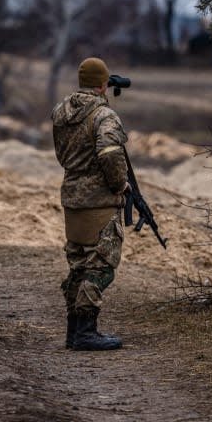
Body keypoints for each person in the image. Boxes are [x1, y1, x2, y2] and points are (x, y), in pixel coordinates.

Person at [51, 57, 130, 351]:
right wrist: (120, 184)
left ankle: (74, 331)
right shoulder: (104, 116)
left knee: (79, 265)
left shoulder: (61, 111)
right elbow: (110, 153)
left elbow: (64, 152)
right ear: (102, 84)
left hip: (72, 196)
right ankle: (86, 332)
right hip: (99, 202)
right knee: (101, 267)